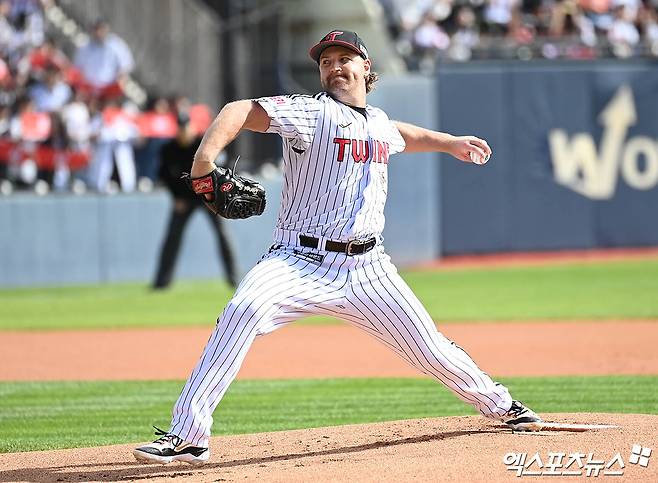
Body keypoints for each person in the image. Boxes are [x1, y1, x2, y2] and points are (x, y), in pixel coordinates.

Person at [133, 29, 542, 465]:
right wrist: (202, 162)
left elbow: (400, 134)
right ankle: (189, 434)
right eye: (326, 61)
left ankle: (502, 405)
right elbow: (237, 111)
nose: (334, 67)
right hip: (297, 260)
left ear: (367, 67)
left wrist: (449, 143)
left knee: (430, 348)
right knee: (242, 311)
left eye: (344, 58)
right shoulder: (310, 114)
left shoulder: (379, 122)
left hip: (368, 269)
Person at [152, 111, 238, 290]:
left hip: (208, 198)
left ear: (191, 126)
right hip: (183, 200)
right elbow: (164, 175)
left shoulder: (202, 144)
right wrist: (176, 198)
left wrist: (214, 196)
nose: (183, 131)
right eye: (180, 128)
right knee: (172, 238)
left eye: (186, 127)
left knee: (223, 236)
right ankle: (161, 283)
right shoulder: (169, 150)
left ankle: (234, 279)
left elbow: (221, 167)